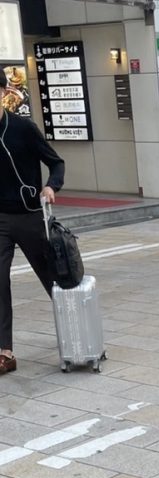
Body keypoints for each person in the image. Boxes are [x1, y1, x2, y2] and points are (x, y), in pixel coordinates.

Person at [0, 71, 64, 376]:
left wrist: (52, 186)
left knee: (52, 278)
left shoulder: (23, 128)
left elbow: (56, 162)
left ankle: (74, 330)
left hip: (27, 216)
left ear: (3, 92)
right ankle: (5, 352)